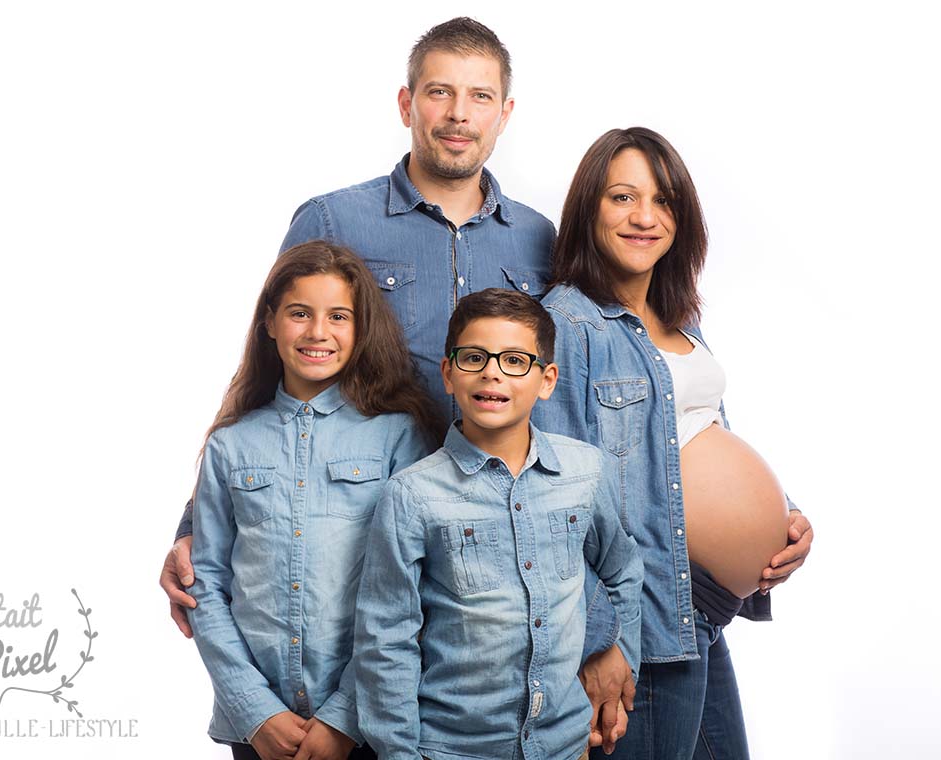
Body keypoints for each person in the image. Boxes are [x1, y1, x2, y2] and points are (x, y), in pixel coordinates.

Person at [163, 12, 556, 681]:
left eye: (480, 96)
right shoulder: (332, 220)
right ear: (407, 103)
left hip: (501, 546)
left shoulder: (541, 240)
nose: (458, 115)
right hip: (358, 546)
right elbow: (269, 373)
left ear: (505, 112)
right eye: (439, 92)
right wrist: (196, 522)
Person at [533, 127, 816, 759]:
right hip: (641, 618)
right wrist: (599, 639)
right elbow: (551, 499)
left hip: (703, 610)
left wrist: (783, 515)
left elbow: (706, 432)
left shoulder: (684, 316)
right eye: (622, 198)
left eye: (664, 201)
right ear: (588, 210)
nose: (645, 218)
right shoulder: (566, 325)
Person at [353, 289, 643, 760]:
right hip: (452, 748)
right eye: (474, 358)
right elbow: (386, 640)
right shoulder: (411, 494)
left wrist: (622, 655)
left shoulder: (586, 471)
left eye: (514, 360)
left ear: (546, 380)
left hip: (565, 745)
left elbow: (623, 570)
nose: (492, 372)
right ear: (448, 373)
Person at [188, 241, 441, 760]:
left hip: (368, 725)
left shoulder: (398, 436)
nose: (317, 332)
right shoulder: (230, 444)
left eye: (339, 316)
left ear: (361, 327)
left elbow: (414, 587)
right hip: (260, 731)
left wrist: (344, 716)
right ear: (270, 322)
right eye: (299, 313)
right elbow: (205, 587)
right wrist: (255, 710)